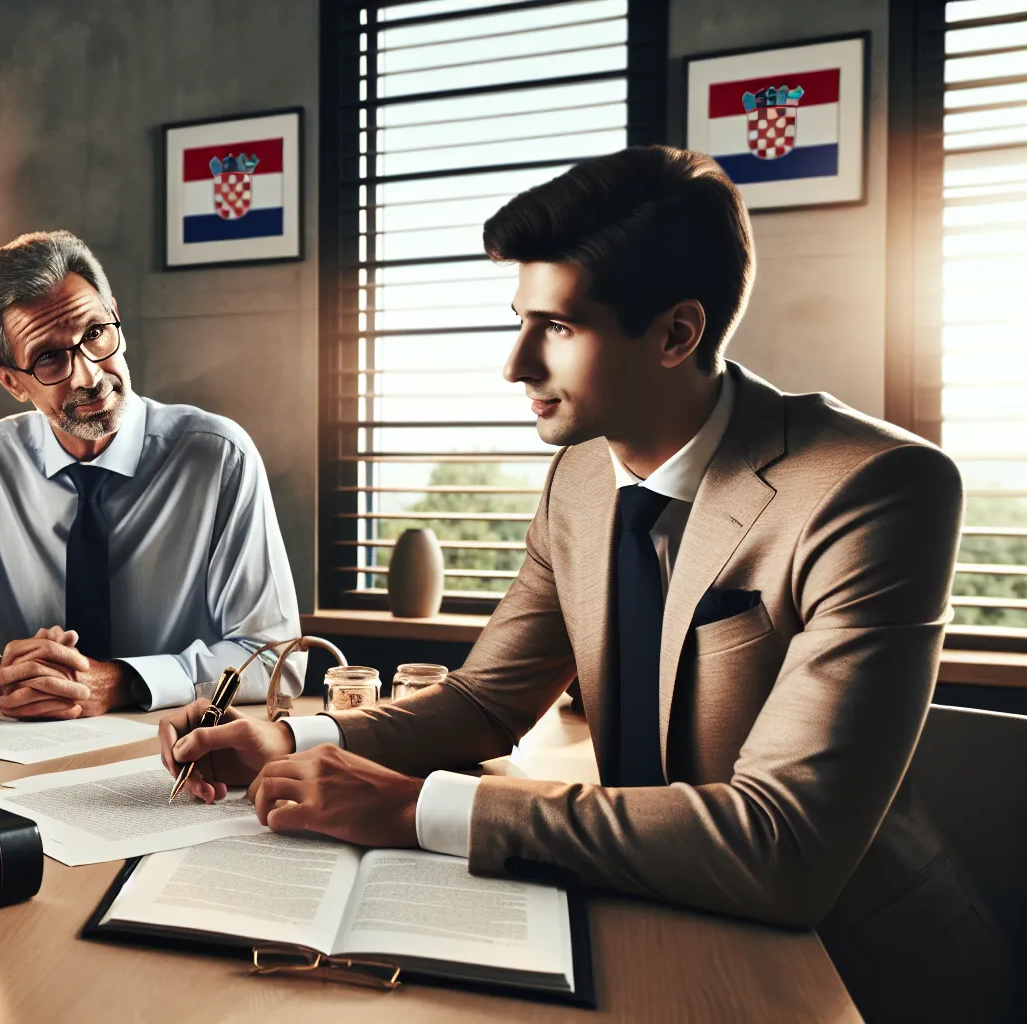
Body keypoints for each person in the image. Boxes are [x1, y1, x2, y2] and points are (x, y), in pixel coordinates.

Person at [157, 147, 1022, 1019]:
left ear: (678, 333)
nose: (516, 365)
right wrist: (295, 739)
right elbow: (487, 701)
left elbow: (783, 845)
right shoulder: (578, 476)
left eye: (559, 329)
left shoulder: (875, 488)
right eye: (520, 321)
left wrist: (424, 809)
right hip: (639, 913)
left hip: (847, 972)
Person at [0, 230, 302, 720]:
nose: (88, 376)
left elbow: (276, 658)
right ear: (9, 379)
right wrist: (8, 680)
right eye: (49, 357)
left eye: (94, 334)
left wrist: (120, 682)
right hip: (22, 740)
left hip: (175, 748)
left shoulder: (219, 457)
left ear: (116, 317)